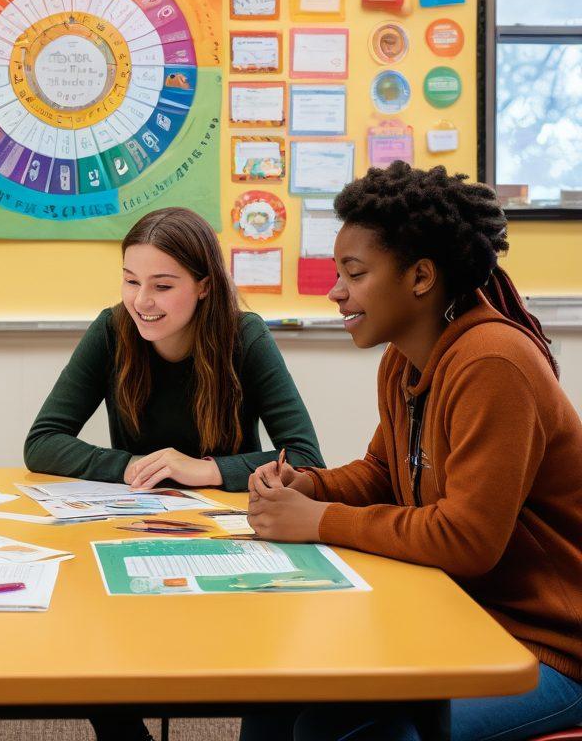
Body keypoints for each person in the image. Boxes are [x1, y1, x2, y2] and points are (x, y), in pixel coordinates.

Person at [242, 163, 582, 741]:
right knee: (276, 695)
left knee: (353, 732)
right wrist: (310, 487)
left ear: (421, 277)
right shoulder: (404, 361)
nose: (336, 290)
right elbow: (383, 472)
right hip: (459, 620)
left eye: (354, 272)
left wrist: (320, 520)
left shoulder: (494, 363)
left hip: (546, 650)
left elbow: (466, 540)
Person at [25, 206, 324, 741]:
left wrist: (206, 470)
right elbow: (43, 441)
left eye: (162, 286)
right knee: (90, 628)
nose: (142, 301)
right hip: (133, 528)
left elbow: (304, 456)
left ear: (205, 286)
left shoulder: (245, 336)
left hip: (234, 531)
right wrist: (132, 466)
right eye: (131, 280)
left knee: (270, 652)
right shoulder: (112, 330)